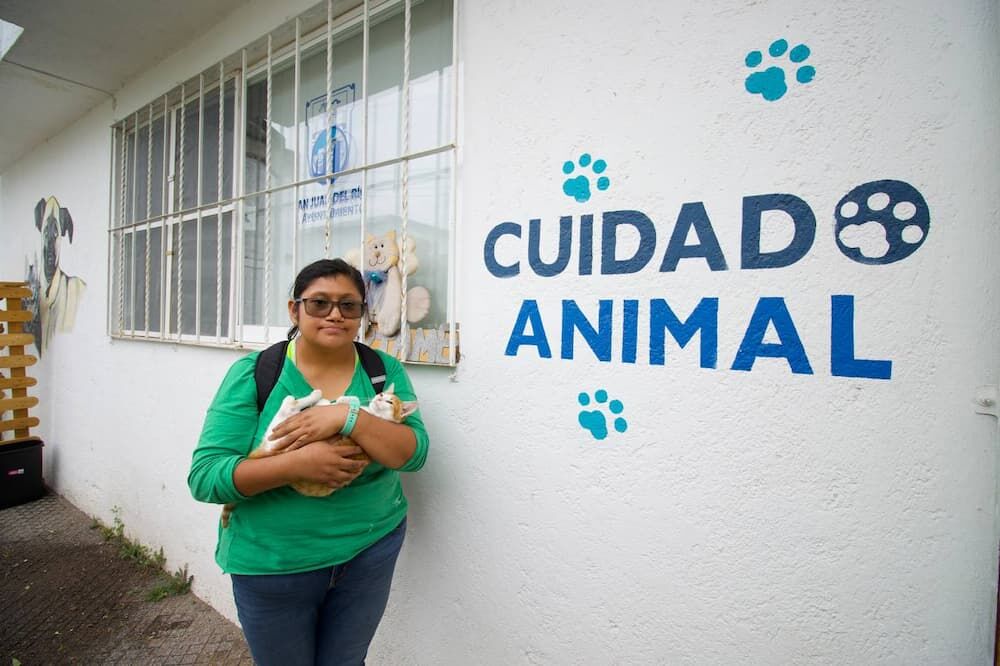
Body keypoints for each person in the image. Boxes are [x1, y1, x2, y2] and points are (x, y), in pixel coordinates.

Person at [188, 258, 429, 665]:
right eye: (319, 303)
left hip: (371, 550)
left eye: (349, 305)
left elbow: (413, 453)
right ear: (294, 309)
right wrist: (298, 465)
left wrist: (347, 417)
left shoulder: (381, 370)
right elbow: (206, 478)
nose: (335, 314)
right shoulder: (255, 374)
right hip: (275, 567)